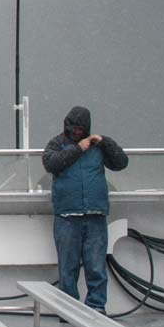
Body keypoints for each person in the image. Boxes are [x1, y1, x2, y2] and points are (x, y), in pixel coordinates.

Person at [41, 105, 130, 314]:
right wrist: (78, 148)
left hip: (95, 214)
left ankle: (97, 308)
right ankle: (68, 310)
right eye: (74, 128)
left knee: (96, 266)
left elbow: (121, 162)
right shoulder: (56, 144)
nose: (77, 132)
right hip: (67, 214)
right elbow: (51, 163)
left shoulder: (98, 146)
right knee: (68, 267)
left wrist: (105, 142)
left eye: (81, 129)